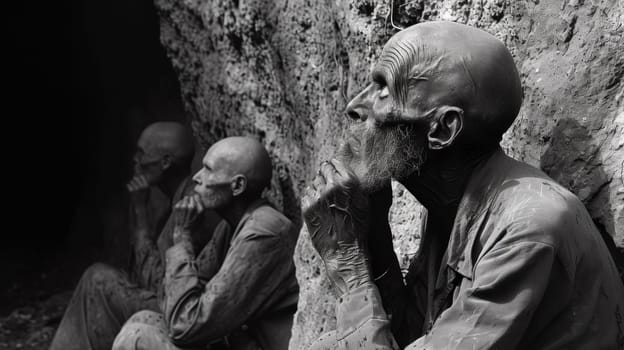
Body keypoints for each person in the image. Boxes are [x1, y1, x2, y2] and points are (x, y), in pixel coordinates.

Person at [302, 21, 624, 349]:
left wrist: (348, 264)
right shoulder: (451, 206)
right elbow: (411, 337)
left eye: (384, 89)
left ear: (442, 129)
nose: (354, 106)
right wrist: (373, 230)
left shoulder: (527, 227)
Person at [112, 136, 299, 350]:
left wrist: (182, 238)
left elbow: (184, 326)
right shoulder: (230, 227)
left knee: (139, 337)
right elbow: (178, 301)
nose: (197, 177)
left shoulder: (264, 233)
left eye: (208, 170)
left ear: (237, 185)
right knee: (144, 319)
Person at [50, 121, 219, 350]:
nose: (135, 160)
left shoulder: (189, 206)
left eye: (141, 153)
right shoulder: (175, 201)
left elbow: (153, 282)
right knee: (99, 278)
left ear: (166, 162)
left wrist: (140, 212)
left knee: (97, 279)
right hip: (170, 304)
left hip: (177, 313)